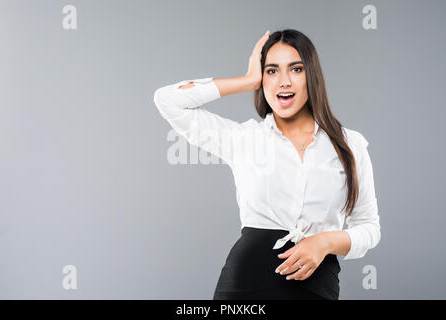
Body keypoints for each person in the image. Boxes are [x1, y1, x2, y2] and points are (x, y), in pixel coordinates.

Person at [153, 29, 381, 300]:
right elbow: (168, 100)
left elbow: (369, 227)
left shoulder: (350, 145)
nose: (283, 81)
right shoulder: (244, 139)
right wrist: (247, 80)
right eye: (272, 71)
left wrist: (325, 242)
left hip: (316, 286)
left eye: (295, 69)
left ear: (312, 75)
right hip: (245, 286)